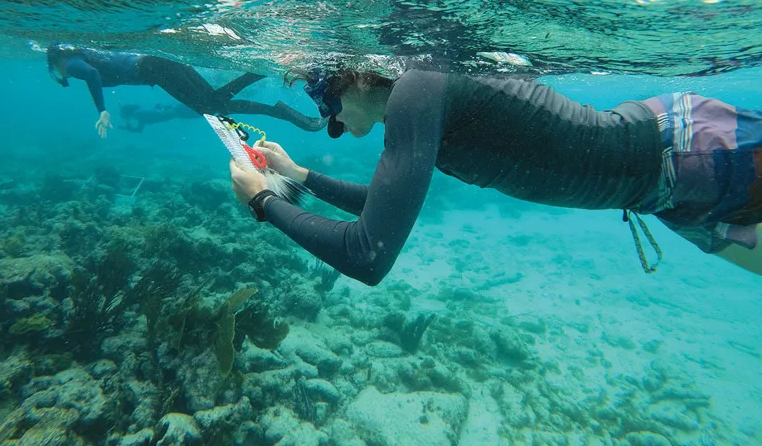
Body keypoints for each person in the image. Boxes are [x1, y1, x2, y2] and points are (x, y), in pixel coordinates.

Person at [228, 67, 762, 285]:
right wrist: (299, 175)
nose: (330, 121)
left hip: (683, 151)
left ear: (352, 75)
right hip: (659, 188)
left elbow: (368, 255)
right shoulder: (418, 112)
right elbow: (378, 208)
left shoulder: (418, 89)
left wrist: (264, 203)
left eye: (322, 99)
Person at [46, 44, 326, 137]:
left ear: (54, 59)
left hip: (156, 68)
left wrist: (102, 110)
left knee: (213, 107)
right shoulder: (83, 56)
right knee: (216, 104)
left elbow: (93, 75)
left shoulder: (69, 62)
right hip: (159, 65)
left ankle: (264, 82)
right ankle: (263, 73)